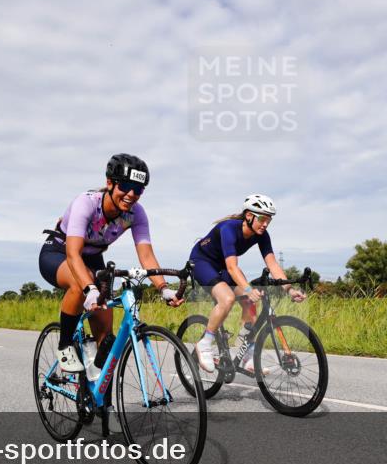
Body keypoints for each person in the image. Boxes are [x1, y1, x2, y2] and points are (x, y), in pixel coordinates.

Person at [38, 154, 184, 373]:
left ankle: (98, 397)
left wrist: (163, 288)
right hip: (60, 252)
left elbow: (146, 256)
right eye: (125, 186)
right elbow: (73, 254)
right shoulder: (86, 203)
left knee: (106, 338)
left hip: (94, 259)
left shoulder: (136, 214)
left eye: (139, 189)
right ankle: (65, 345)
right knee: (81, 285)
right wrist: (90, 288)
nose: (131, 195)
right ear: (110, 183)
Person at [188, 194, 306, 374]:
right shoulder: (229, 228)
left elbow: (273, 264)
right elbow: (232, 267)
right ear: (249, 216)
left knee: (250, 301)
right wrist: (249, 288)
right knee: (226, 298)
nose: (266, 223)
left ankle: (245, 353)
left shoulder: (262, 235)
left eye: (269, 220)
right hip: (202, 262)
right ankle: (204, 344)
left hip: (223, 266)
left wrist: (289, 289)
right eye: (262, 218)